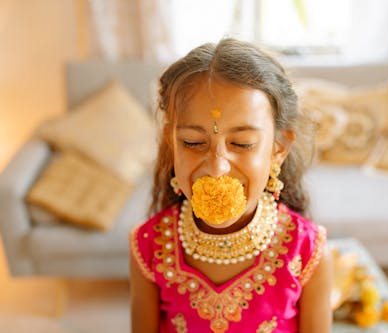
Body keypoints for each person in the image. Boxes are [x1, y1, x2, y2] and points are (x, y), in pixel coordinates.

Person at [129, 38, 333, 333]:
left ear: (279, 147)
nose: (217, 168)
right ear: (171, 143)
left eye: (242, 143)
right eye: (193, 142)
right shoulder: (149, 247)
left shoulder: (308, 252)